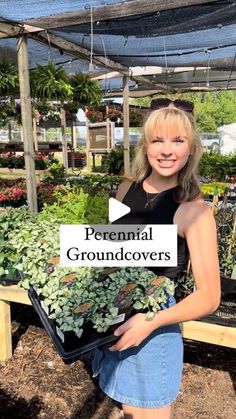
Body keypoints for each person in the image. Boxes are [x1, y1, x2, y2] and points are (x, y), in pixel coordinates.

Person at [92, 98, 221, 419]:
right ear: (145, 146)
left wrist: (148, 322)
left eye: (178, 141)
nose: (167, 150)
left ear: (191, 149)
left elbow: (210, 297)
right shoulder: (124, 190)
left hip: (152, 335)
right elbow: (112, 252)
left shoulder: (194, 211)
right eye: (157, 140)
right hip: (114, 324)